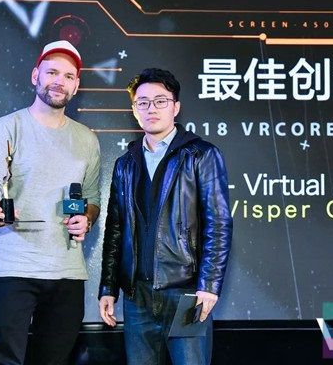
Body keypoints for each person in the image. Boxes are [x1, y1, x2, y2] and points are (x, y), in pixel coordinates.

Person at [0, 40, 100, 365]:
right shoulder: (6, 128)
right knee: (5, 360)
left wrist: (86, 217)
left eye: (68, 76)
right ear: (35, 76)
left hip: (67, 272)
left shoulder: (87, 139)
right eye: (52, 72)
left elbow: (93, 199)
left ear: (76, 85)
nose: (59, 81)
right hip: (12, 268)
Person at [98, 68, 232, 365]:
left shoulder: (201, 155)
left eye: (160, 101)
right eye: (143, 102)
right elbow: (115, 228)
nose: (151, 109)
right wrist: (108, 287)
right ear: (135, 111)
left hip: (187, 294)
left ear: (176, 107)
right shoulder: (125, 164)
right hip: (137, 297)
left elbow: (219, 224)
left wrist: (209, 285)